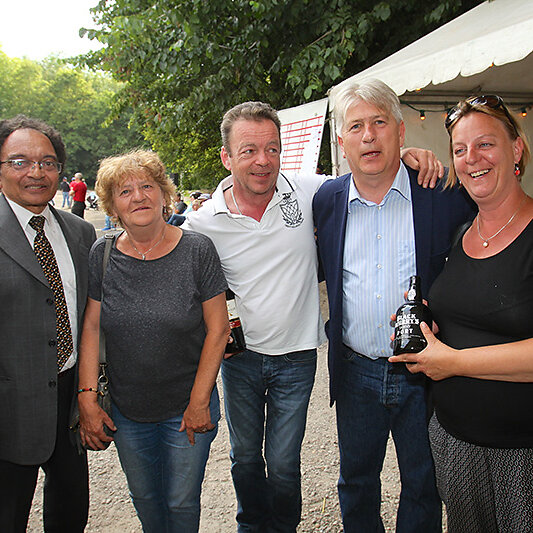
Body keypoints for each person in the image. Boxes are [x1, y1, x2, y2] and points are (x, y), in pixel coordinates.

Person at [183, 100, 445, 532]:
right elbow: (175, 267)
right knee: (244, 457)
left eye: (272, 148)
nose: (263, 160)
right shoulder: (205, 221)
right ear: (226, 157)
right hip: (240, 361)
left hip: (297, 357)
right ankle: (252, 525)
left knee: (284, 464)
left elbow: (367, 169)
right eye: (249, 150)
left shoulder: (310, 192)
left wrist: (409, 156)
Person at [313, 79, 476, 532]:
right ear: (341, 142)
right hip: (355, 371)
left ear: (401, 132)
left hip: (424, 372)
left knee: (424, 485)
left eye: (379, 123)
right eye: (356, 126)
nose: (368, 136)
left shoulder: (440, 193)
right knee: (356, 483)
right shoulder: (326, 200)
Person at [390, 95, 533, 533]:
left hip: (522, 453)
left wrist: (452, 362)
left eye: (485, 144)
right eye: (460, 149)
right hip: (455, 445)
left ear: (516, 149)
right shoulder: (461, 234)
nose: (472, 158)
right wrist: (427, 329)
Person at [77, 149, 229, 532]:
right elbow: (92, 327)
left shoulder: (197, 250)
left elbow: (219, 329)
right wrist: (87, 397)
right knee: (144, 499)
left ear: (164, 194)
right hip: (128, 411)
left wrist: (199, 403)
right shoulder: (102, 254)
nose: (138, 197)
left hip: (187, 406)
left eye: (147, 186)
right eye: (125, 191)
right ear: (112, 206)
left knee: (181, 501)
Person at [0, 115, 96, 532]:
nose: (36, 172)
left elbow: (91, 317)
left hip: (70, 400)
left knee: (70, 513)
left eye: (48, 162)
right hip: (9, 408)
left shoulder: (80, 233)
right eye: (20, 161)